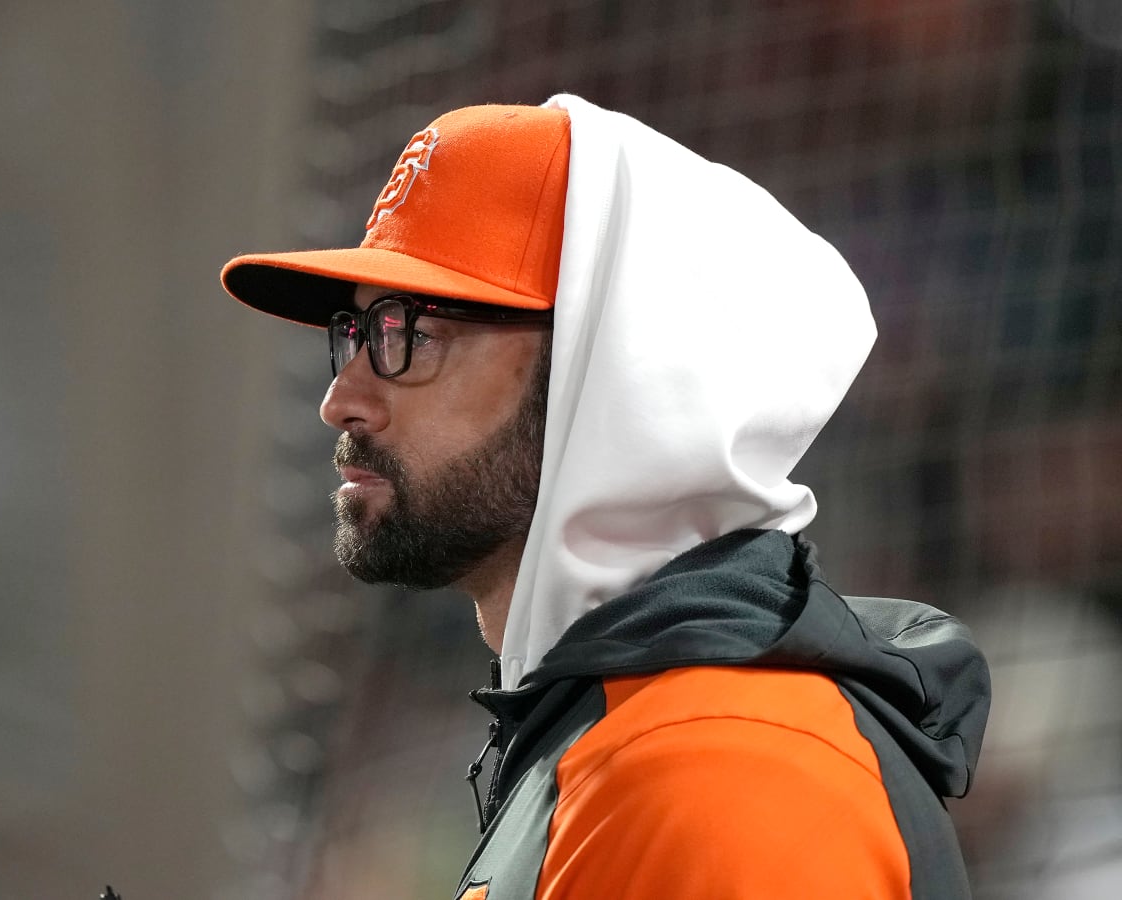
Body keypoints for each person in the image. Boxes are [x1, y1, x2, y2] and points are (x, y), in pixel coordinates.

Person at [221, 97, 990, 899]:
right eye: (354, 332)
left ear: (612, 372)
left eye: (409, 332)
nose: (343, 398)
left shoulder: (722, 767)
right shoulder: (626, 729)